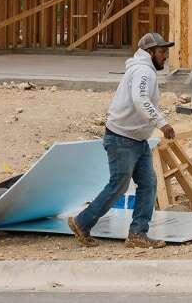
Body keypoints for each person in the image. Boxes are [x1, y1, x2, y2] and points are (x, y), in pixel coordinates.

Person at [69, 32, 176, 249]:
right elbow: (140, 99)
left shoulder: (143, 70)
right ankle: (82, 222)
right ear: (150, 52)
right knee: (119, 185)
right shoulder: (143, 71)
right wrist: (162, 123)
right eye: (162, 51)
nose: (165, 56)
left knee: (148, 184)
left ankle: (138, 233)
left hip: (136, 139)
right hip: (122, 139)